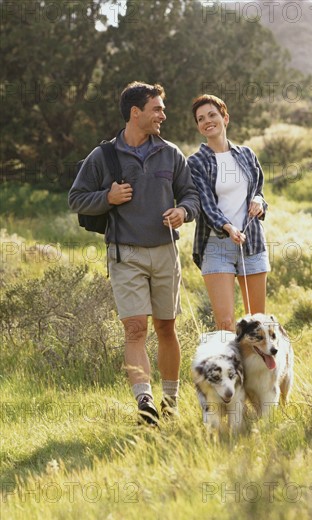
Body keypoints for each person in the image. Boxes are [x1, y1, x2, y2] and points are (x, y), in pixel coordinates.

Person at [69, 82, 200, 425]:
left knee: (167, 328)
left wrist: (183, 212)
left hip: (165, 254)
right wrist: (107, 199)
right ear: (135, 113)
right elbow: (76, 199)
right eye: (156, 109)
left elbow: (191, 195)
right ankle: (145, 404)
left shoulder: (171, 152)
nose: (163, 115)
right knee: (135, 329)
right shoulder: (104, 156)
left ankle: (170, 401)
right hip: (125, 254)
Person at [187, 94, 270, 332]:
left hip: (252, 243)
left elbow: (259, 190)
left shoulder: (246, 154)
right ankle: (232, 370)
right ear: (198, 126)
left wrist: (259, 201)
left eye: (212, 115)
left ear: (225, 118)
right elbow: (206, 204)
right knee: (225, 324)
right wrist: (228, 227)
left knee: (257, 324)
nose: (207, 121)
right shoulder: (196, 162)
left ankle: (257, 370)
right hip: (216, 246)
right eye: (201, 118)